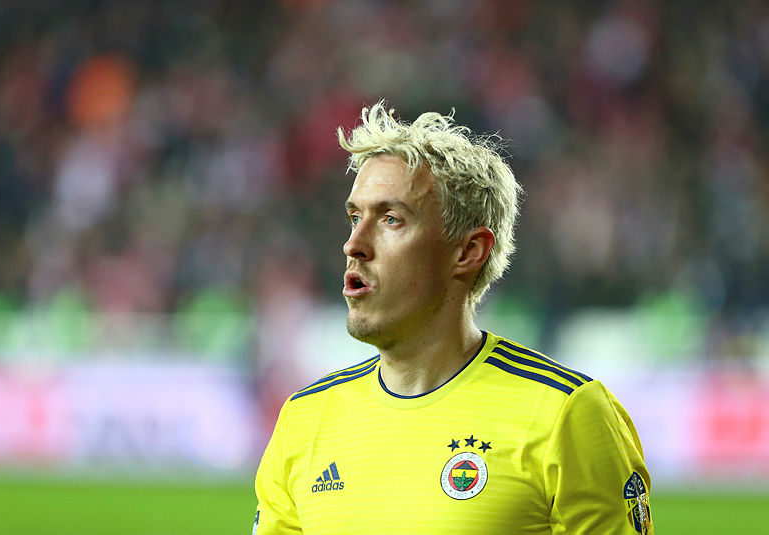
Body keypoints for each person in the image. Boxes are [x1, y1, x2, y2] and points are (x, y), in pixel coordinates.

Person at [253, 101, 653, 534]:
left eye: (391, 219)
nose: (354, 244)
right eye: (354, 217)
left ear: (468, 251)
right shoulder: (304, 420)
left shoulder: (566, 414)